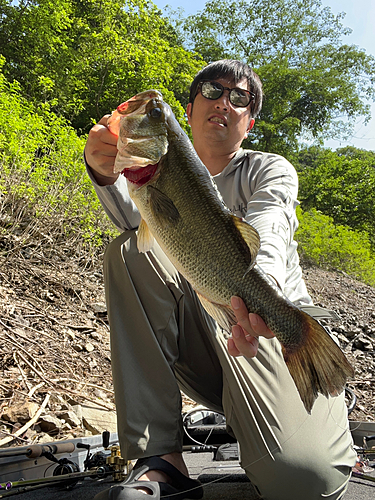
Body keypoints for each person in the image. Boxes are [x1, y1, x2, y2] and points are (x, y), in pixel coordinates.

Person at [84, 60, 356, 500]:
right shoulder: (156, 172)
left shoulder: (270, 170)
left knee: (305, 481)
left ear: (248, 122)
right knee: (128, 249)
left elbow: (268, 228)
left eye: (240, 97)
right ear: (189, 112)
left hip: (263, 334)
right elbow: (132, 223)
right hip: (206, 348)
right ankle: (160, 458)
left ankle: (294, 423)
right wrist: (102, 171)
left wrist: (254, 308)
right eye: (211, 90)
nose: (224, 101)